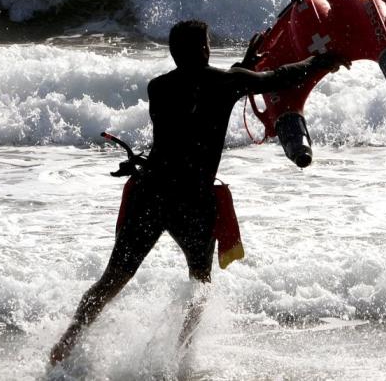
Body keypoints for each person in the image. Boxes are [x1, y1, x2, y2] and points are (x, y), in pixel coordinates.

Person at [49, 19, 346, 365]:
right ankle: (182, 358)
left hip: (153, 192)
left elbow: (197, 98)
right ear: (205, 49)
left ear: (175, 54)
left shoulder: (157, 88)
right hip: (192, 201)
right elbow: (278, 78)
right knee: (200, 283)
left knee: (113, 279)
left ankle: (64, 347)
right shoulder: (227, 83)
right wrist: (320, 61)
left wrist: (241, 70)